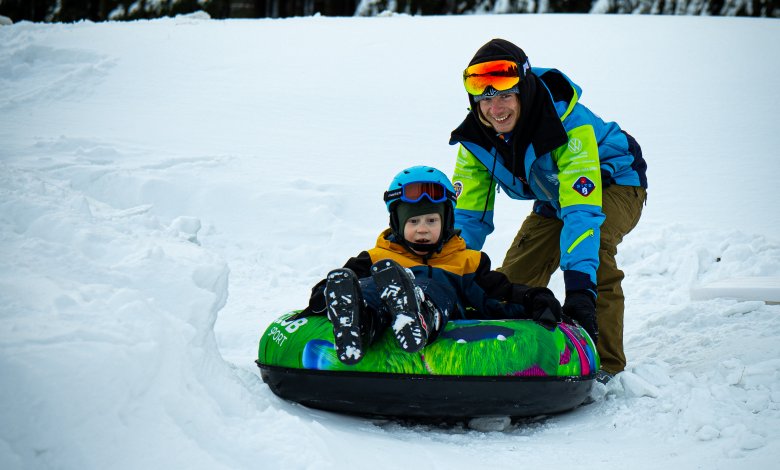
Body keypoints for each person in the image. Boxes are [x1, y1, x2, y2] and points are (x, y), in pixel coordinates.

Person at [450, 38, 648, 381]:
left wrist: (579, 292)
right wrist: (448, 275)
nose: (495, 109)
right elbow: (469, 219)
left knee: (592, 251)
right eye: (485, 98)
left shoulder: (568, 125)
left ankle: (604, 364)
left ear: (523, 91)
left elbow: (581, 213)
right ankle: (507, 354)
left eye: (505, 96)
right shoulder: (476, 140)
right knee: (509, 282)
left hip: (617, 181)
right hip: (555, 193)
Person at [298, 165, 563, 365]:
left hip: (434, 314)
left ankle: (420, 314)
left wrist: (535, 298)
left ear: (446, 222)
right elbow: (329, 291)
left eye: (431, 221)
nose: (422, 230)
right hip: (380, 303)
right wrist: (325, 296)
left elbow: (499, 295)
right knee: (370, 284)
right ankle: (359, 322)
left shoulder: (466, 262)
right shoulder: (375, 258)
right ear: (398, 224)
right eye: (413, 222)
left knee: (427, 283)